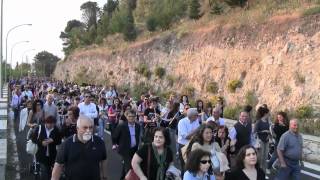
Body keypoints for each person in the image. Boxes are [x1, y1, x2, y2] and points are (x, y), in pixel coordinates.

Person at [51, 115, 107, 180]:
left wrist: (104, 176)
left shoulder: (99, 142)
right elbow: (58, 166)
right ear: (77, 128)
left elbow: (103, 160)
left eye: (91, 127)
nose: (88, 130)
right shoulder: (66, 144)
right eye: (85, 128)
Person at [112, 109, 140, 179]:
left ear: (135, 117)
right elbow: (115, 136)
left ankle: (122, 178)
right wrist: (116, 144)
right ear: (127, 117)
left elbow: (137, 136)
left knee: (126, 166)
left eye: (133, 116)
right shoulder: (122, 126)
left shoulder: (138, 126)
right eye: (129, 116)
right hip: (125, 150)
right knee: (129, 168)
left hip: (134, 149)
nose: (131, 118)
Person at [31, 116, 62, 180]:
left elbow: (59, 141)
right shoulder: (40, 128)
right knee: (44, 171)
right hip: (41, 154)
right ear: (45, 123)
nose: (50, 125)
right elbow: (33, 139)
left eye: (52, 123)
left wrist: (53, 141)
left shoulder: (56, 129)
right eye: (49, 123)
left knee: (51, 171)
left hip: (52, 155)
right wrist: (41, 143)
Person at [178, 108, 201, 173]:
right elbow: (186, 136)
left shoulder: (196, 121)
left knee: (192, 166)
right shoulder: (182, 122)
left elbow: (198, 134)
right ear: (192, 116)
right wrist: (196, 131)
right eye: (197, 115)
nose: (198, 117)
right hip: (183, 146)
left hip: (193, 145)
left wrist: (194, 133)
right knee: (184, 167)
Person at [254, 106, 271, 171]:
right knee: (260, 157)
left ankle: (263, 172)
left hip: (267, 141)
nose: (269, 114)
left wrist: (269, 134)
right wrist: (263, 131)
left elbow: (269, 130)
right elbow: (254, 132)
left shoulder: (267, 121)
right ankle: (258, 171)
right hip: (260, 141)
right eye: (268, 113)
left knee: (265, 157)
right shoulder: (258, 122)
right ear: (265, 114)